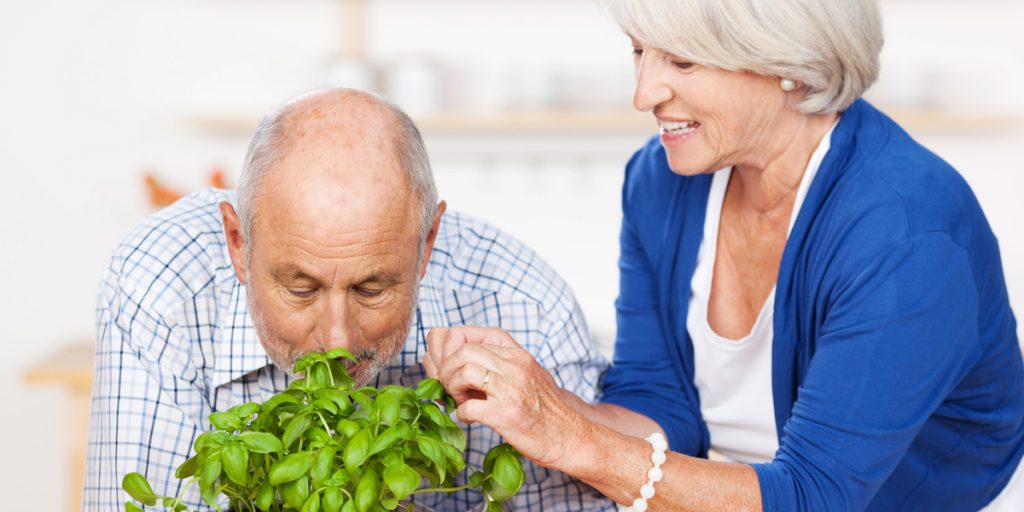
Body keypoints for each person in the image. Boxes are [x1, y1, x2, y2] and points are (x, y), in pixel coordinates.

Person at [424, 1, 1024, 510]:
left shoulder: (904, 231)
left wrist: (576, 438)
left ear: (787, 64)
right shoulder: (660, 181)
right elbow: (658, 402)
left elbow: (816, 494)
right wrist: (536, 408)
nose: (643, 94)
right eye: (640, 52)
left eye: (681, 60)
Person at [83, 88, 613, 511]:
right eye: (301, 288)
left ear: (426, 244)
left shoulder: (526, 305)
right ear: (239, 245)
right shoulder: (163, 285)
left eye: (372, 288)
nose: (337, 338)